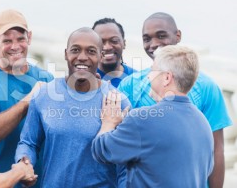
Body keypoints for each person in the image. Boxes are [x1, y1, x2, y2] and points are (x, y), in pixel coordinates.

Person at [118, 12, 232, 188]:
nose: (154, 44)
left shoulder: (207, 87)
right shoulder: (129, 85)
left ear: (178, 35)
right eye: (146, 39)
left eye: (161, 35)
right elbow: (119, 144)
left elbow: (216, 149)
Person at [15, 27, 130, 187]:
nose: (82, 57)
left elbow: (126, 164)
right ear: (66, 53)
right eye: (75, 50)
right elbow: (29, 142)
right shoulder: (44, 95)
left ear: (101, 56)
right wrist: (24, 162)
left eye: (91, 51)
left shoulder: (117, 101)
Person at [92, 45, 214, 187]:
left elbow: (102, 150)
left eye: (152, 70)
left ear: (167, 78)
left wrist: (108, 122)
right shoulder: (204, 124)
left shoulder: (142, 119)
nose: (148, 76)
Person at [0, 9, 53, 187]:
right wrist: (28, 100)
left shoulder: (47, 79)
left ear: (29, 38)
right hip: (0, 182)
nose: (15, 46)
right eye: (7, 40)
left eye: (20, 39)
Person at [92, 18, 136, 87]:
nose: (107, 47)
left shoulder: (137, 79)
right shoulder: (84, 80)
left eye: (114, 41)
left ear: (124, 43)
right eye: (100, 42)